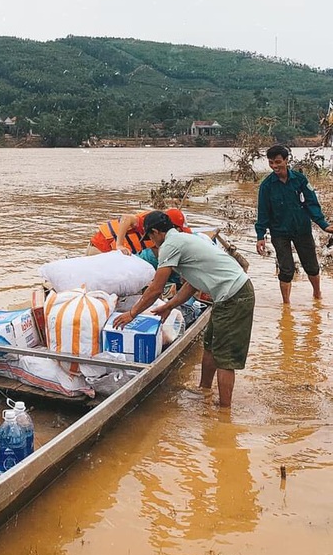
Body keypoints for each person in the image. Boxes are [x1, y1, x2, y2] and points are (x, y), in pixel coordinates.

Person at [113, 211, 255, 408]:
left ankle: (224, 412)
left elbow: (155, 288)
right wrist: (170, 306)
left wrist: (131, 313)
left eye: (150, 237)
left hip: (235, 295)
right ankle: (204, 389)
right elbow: (192, 284)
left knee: (225, 357)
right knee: (211, 345)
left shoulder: (169, 246)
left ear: (156, 232)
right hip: (227, 295)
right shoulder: (182, 239)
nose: (152, 242)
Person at [255, 144, 333, 304]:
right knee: (286, 269)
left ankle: (317, 295)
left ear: (286, 160)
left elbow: (312, 204)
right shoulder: (266, 186)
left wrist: (323, 225)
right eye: (271, 162)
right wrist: (260, 236)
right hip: (279, 233)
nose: (274, 166)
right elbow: (263, 212)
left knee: (311, 265)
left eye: (277, 162)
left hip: (302, 230)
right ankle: (286, 306)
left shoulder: (300, 180)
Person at [88, 207, 191, 255]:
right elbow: (126, 218)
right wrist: (119, 245)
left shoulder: (161, 235)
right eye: (178, 230)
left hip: (110, 254)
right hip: (101, 247)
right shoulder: (151, 221)